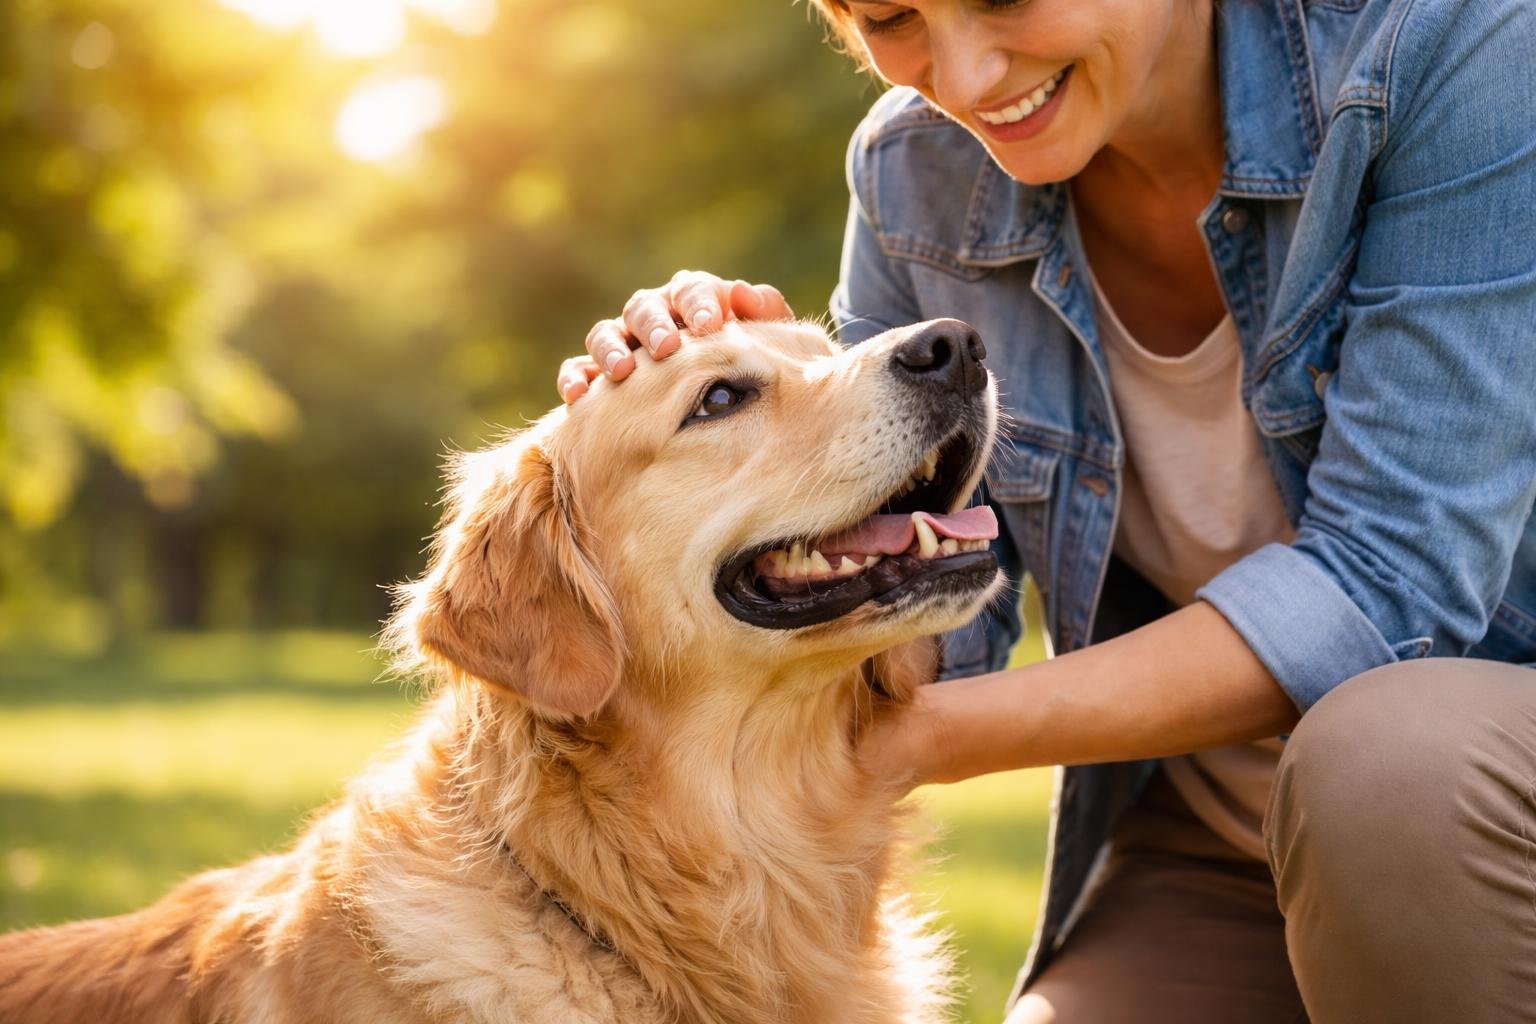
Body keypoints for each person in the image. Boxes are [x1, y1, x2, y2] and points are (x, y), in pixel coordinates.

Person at [556, 1, 1536, 1020]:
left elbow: (1389, 586)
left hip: (1463, 807)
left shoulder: (1454, 41)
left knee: (1386, 758)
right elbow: (928, 610)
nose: (967, 80)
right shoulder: (913, 170)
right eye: (893, 17)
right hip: (1215, 845)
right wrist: (752, 398)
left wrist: (913, 741)